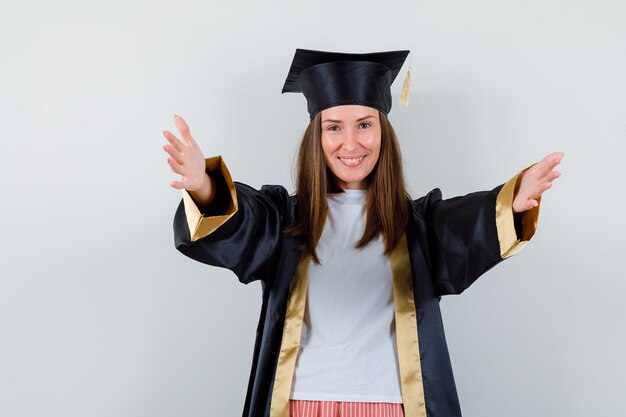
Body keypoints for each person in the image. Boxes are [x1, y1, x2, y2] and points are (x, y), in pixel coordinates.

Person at [162, 49, 563, 417]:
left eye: (364, 125)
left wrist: (511, 202)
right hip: (301, 403)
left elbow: (469, 228)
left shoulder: (418, 227)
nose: (350, 143)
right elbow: (240, 222)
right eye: (334, 127)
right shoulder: (284, 219)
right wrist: (204, 185)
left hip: (393, 405)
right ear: (316, 138)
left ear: (383, 133)